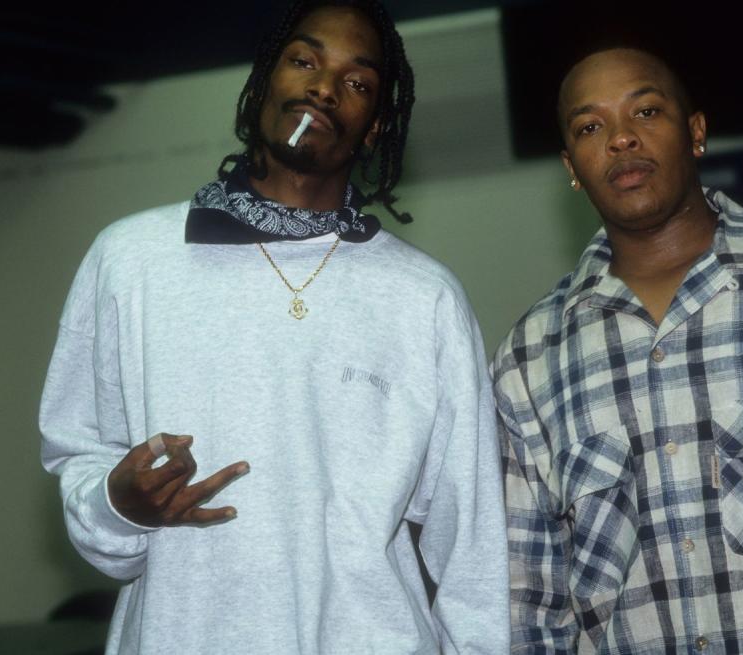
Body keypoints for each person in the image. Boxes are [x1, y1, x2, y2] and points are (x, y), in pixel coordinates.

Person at [39, 1, 509, 652]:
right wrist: (118, 504)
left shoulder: (422, 297)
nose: (323, 86)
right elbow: (82, 461)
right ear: (263, 84)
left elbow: (474, 542)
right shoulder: (129, 259)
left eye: (357, 82)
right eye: (304, 60)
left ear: (374, 129)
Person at [493, 46, 743, 653]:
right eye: (590, 127)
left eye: (646, 111)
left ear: (696, 131)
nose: (621, 139)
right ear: (571, 165)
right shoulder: (530, 361)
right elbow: (528, 606)